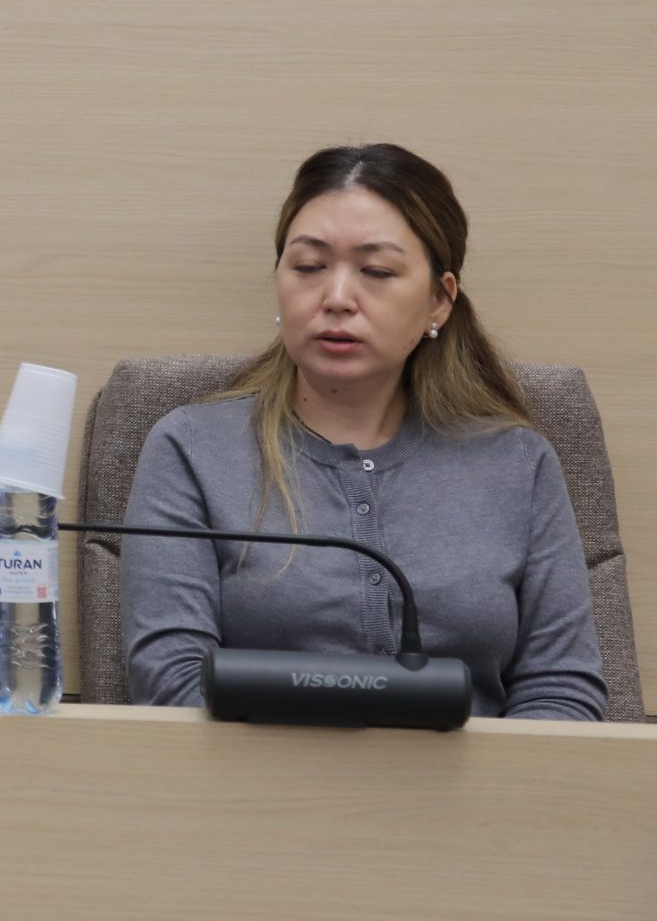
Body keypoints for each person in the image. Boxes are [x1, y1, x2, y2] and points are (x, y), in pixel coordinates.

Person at [122, 145, 605, 720]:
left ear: (439, 301)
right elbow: (172, 688)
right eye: (308, 267)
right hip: (245, 778)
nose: (336, 299)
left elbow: (563, 693)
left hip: (478, 779)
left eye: (376, 272)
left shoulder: (516, 462)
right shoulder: (193, 449)